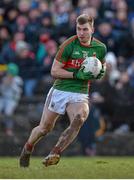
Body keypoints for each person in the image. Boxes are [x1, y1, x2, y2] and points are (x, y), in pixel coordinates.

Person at [19, 14, 107, 167]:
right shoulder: (69, 44)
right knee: (45, 128)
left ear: (92, 29)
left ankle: (55, 152)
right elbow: (54, 71)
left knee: (79, 118)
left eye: (85, 29)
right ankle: (27, 148)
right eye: (78, 29)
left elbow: (101, 67)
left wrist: (101, 72)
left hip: (80, 92)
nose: (81, 33)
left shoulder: (100, 48)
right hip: (61, 90)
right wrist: (76, 74)